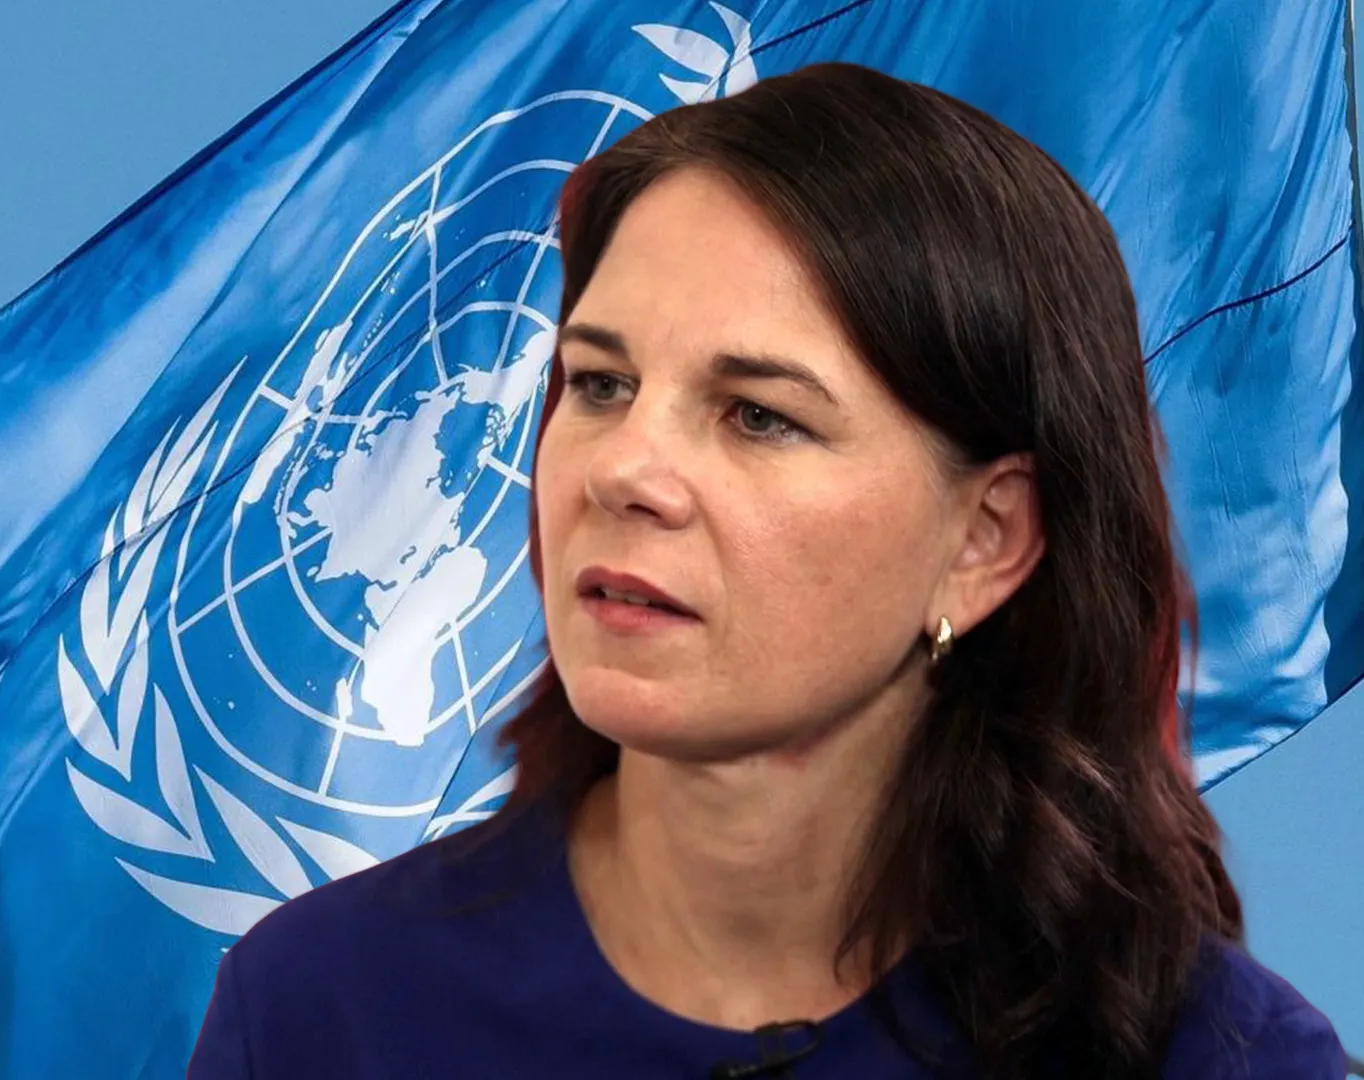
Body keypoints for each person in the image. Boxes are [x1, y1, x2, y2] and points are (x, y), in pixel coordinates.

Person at [183, 62, 1350, 1079]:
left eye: (758, 415)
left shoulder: (1217, 1059)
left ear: (985, 541)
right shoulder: (319, 1007)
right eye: (601, 384)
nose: (624, 470)